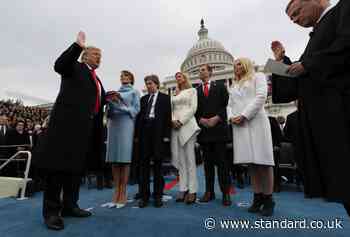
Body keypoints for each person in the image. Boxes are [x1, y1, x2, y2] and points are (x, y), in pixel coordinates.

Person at [272, 0, 350, 216]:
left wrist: (307, 64)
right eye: (292, 19)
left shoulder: (344, 9)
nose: (295, 20)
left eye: (297, 12)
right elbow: (297, 84)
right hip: (325, 124)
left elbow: (345, 46)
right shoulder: (315, 36)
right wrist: (281, 63)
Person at [33, 31, 115, 230]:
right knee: (57, 171)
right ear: (85, 55)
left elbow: (89, 99)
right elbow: (59, 65)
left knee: (75, 171)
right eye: (96, 55)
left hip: (84, 132)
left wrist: (106, 97)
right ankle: (52, 212)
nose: (100, 58)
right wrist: (76, 45)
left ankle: (70, 205)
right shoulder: (75, 67)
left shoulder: (96, 78)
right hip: (65, 129)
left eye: (101, 56)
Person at [227, 58, 275, 216]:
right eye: (234, 66)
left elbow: (261, 97)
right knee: (252, 164)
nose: (236, 67)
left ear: (246, 65)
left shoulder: (258, 76)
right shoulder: (233, 85)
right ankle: (258, 197)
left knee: (264, 162)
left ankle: (268, 199)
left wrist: (244, 115)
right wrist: (231, 117)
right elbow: (229, 105)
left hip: (256, 123)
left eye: (239, 64)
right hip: (240, 126)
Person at [195, 64, 232, 206]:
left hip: (219, 131)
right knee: (207, 166)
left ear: (210, 72)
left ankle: (226, 193)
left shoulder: (221, 86)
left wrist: (217, 118)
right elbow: (195, 110)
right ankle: (209, 192)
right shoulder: (196, 91)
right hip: (204, 132)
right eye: (199, 70)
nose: (200, 72)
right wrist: (201, 120)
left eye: (203, 69)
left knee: (223, 164)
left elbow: (226, 105)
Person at [104, 70, 140, 208]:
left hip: (126, 124)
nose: (122, 78)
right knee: (114, 159)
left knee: (124, 159)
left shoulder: (134, 92)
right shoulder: (115, 92)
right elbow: (109, 112)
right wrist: (111, 104)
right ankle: (116, 190)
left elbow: (136, 110)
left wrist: (121, 105)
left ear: (131, 78)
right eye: (121, 76)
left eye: (125, 76)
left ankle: (123, 192)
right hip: (113, 124)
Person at [137, 75, 171, 208]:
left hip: (158, 133)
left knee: (158, 165)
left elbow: (168, 117)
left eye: (150, 83)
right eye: (146, 84)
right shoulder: (143, 99)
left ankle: (158, 196)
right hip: (145, 132)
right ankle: (144, 196)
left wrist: (167, 135)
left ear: (156, 84)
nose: (148, 86)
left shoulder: (165, 98)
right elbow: (139, 118)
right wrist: (137, 136)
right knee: (144, 166)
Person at [171, 72, 200, 204]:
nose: (178, 78)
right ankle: (183, 189)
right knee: (180, 160)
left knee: (190, 160)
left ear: (185, 78)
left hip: (187, 125)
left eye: (180, 76)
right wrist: (173, 120)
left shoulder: (192, 91)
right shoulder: (175, 93)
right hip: (175, 127)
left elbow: (193, 108)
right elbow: (170, 109)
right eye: (176, 77)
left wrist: (181, 121)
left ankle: (192, 191)